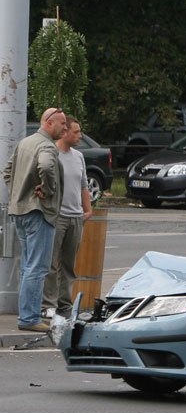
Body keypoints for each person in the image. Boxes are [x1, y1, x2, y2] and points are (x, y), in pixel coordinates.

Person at [3, 107, 67, 332]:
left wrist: (19, 192)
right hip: (39, 212)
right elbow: (47, 166)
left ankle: (27, 314)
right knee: (37, 268)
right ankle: (29, 318)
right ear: (48, 123)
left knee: (28, 267)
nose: (65, 128)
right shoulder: (46, 146)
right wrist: (47, 190)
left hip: (20, 211)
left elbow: (7, 172)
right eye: (62, 124)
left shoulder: (25, 142)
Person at [42, 115, 93, 319]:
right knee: (52, 263)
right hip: (57, 216)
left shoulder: (78, 156)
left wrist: (87, 210)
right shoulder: (51, 153)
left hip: (76, 217)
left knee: (69, 264)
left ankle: (65, 304)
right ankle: (49, 304)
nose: (80, 135)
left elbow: (83, 185)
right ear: (65, 133)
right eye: (76, 132)